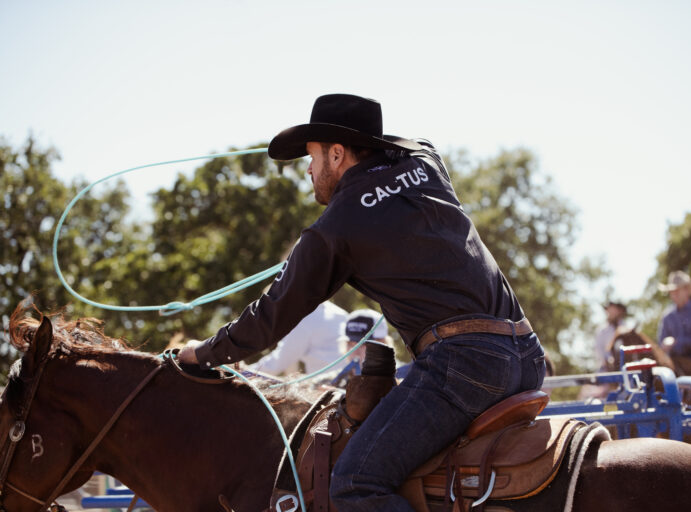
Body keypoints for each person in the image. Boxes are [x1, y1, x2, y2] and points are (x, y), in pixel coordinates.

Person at [178, 93, 545, 512]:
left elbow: (271, 316)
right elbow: (412, 146)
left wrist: (203, 353)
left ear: (337, 154)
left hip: (463, 369)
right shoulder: (426, 162)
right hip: (527, 354)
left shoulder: (334, 227)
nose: (309, 172)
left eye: (311, 158)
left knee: (354, 483)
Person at [249, 300, 348, 375]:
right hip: (348, 382)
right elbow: (290, 363)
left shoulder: (305, 317)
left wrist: (243, 372)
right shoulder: (338, 312)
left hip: (331, 387)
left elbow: (278, 362)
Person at [329, 308, 391, 387]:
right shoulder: (328, 382)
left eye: (363, 344)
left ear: (384, 345)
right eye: (350, 344)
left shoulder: (402, 384)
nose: (355, 352)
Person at [594, 300, 628, 371]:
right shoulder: (602, 330)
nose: (612, 313)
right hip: (606, 367)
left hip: (625, 364)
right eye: (610, 310)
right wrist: (606, 362)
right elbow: (598, 350)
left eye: (614, 310)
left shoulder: (625, 327)